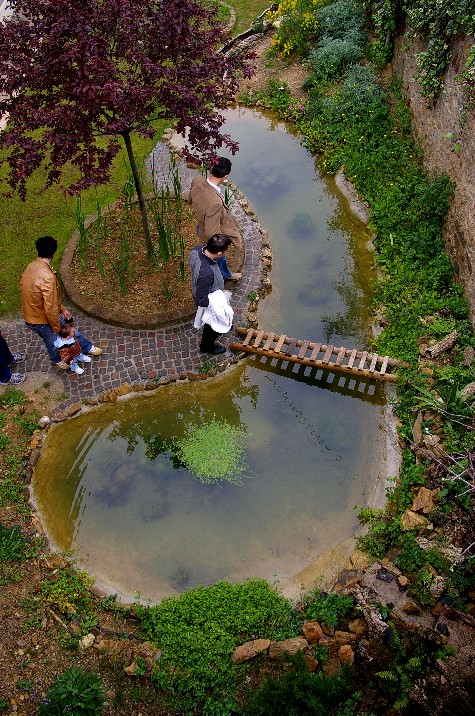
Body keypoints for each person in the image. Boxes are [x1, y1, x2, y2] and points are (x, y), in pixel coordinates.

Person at [20, 236, 103, 368]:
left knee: (65, 333)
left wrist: (62, 309)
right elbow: (50, 307)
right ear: (54, 252)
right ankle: (58, 359)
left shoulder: (31, 266)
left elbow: (48, 299)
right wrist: (58, 328)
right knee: (54, 339)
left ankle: (86, 347)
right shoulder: (48, 277)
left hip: (34, 315)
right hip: (40, 319)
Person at [189, 156, 243, 281]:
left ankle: (223, 273)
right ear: (225, 176)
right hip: (208, 237)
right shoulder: (214, 203)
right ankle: (224, 276)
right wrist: (222, 246)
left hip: (201, 224)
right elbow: (212, 232)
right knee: (219, 258)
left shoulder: (198, 180)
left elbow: (191, 196)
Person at [189, 234, 234, 355]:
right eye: (225, 251)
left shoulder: (198, 250)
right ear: (219, 253)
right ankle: (207, 346)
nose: (226, 252)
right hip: (209, 300)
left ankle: (221, 325)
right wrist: (215, 308)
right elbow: (202, 299)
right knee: (211, 325)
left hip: (204, 289)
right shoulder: (206, 273)